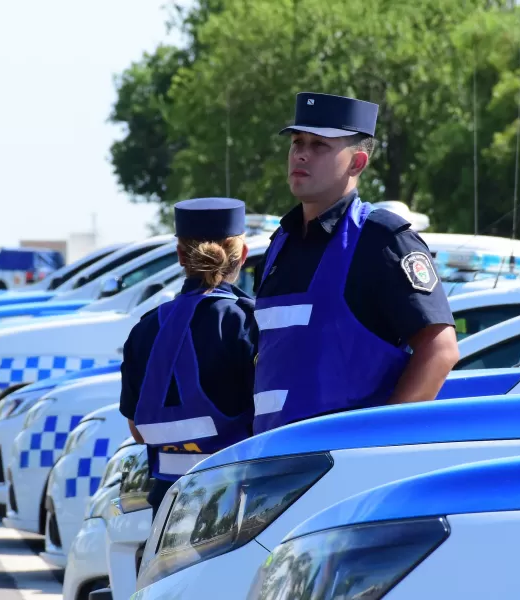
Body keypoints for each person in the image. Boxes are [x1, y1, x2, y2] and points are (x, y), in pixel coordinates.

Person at [252, 92, 460, 435]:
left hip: (343, 458)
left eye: (319, 145)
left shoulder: (381, 240)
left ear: (357, 163)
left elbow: (440, 350)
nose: (301, 153)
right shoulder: (279, 245)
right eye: (297, 142)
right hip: (273, 456)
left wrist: (380, 440)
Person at [119, 197, 257, 515]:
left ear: (180, 255)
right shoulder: (249, 322)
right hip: (236, 502)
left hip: (167, 506)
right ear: (243, 255)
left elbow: (137, 431)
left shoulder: (145, 328)